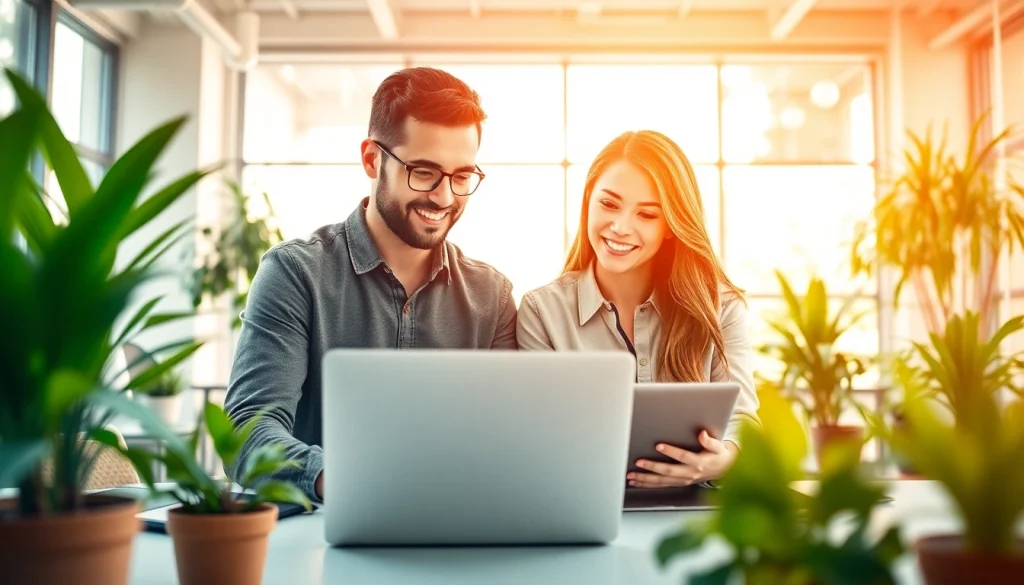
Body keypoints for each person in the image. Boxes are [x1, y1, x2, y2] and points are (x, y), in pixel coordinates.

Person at [224, 67, 519, 504]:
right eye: (424, 172)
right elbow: (248, 426)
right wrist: (339, 479)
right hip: (320, 536)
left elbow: (510, 438)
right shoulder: (295, 274)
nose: (444, 197)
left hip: (455, 528)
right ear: (371, 159)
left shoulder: (491, 296)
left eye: (461, 177)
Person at [516, 130, 759, 488]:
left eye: (646, 214)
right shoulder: (542, 311)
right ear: (587, 202)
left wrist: (720, 460)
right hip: (580, 499)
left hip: (694, 511)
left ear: (671, 227)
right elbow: (536, 436)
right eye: (609, 204)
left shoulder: (720, 308)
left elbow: (743, 422)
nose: (620, 227)